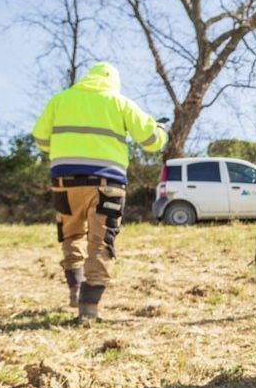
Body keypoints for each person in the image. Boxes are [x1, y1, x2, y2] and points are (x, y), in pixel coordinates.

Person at [32, 62, 167, 320]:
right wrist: (162, 131)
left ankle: (74, 287)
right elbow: (150, 141)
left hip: (64, 180)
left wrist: (65, 151)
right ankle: (89, 308)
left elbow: (40, 138)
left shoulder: (60, 100)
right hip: (107, 184)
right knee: (101, 241)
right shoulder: (119, 102)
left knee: (70, 233)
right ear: (113, 82)